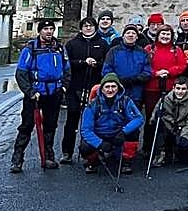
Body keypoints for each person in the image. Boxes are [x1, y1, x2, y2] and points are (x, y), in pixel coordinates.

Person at [10, 18, 71, 173]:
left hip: (54, 92)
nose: (49, 32)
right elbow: (21, 73)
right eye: (46, 29)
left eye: (51, 29)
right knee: (27, 126)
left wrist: (63, 87)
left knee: (50, 126)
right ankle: (17, 160)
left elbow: (67, 70)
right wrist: (30, 92)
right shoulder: (30, 49)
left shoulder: (59, 48)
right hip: (35, 94)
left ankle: (49, 157)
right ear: (40, 31)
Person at [61, 17, 109, 164]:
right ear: (81, 28)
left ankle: (90, 153)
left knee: (93, 121)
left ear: (95, 27)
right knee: (72, 120)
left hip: (94, 87)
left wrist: (97, 64)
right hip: (75, 87)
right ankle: (67, 152)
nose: (88, 28)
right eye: (85, 26)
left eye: (91, 26)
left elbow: (106, 64)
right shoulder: (72, 44)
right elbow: (66, 63)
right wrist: (83, 62)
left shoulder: (102, 44)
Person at [79, 73, 143, 175]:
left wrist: (124, 131)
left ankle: (126, 161)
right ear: (102, 89)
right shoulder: (93, 104)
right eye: (107, 87)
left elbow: (138, 119)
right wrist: (99, 143)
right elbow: (86, 130)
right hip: (99, 135)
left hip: (118, 133)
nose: (110, 90)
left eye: (113, 86)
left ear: (118, 88)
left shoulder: (126, 101)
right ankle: (93, 161)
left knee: (133, 133)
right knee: (85, 146)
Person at [144, 24, 188, 118]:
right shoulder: (149, 49)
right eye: (163, 34)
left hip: (170, 88)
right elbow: (143, 66)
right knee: (151, 115)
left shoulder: (176, 50)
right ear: (158, 35)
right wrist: (155, 73)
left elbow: (182, 65)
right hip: (152, 88)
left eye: (168, 34)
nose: (165, 36)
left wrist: (169, 71)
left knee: (169, 115)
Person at [153, 75, 188, 167]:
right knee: (158, 123)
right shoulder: (165, 98)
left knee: (184, 145)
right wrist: (158, 115)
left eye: (183, 89)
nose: (180, 91)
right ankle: (161, 152)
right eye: (178, 88)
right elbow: (156, 114)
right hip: (169, 126)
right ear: (173, 88)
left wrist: (184, 135)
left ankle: (180, 152)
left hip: (184, 127)